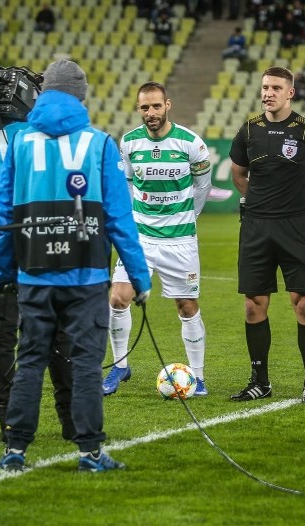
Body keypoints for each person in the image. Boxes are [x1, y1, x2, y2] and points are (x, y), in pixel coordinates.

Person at [0, 59, 150, 472]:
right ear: (80, 96)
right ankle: (90, 453)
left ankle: (15, 450)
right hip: (87, 276)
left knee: (29, 362)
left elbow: (2, 216)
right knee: (83, 365)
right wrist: (140, 277)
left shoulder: (19, 142)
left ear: (43, 94)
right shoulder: (99, 144)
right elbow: (119, 218)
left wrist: (1, 274)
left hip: (33, 273)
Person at [0, 65, 75, 443]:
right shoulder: (26, 131)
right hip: (26, 238)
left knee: (1, 333)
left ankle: (9, 422)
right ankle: (71, 421)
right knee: (55, 332)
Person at [228, 66, 305, 403]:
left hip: (295, 229)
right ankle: (260, 381)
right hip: (256, 228)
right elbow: (237, 172)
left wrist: (304, 214)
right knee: (253, 305)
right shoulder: (248, 130)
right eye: (264, 87)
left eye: (276, 87)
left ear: (290, 92)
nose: (268, 93)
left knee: (302, 304)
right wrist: (258, 203)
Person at [103, 81, 211, 397]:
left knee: (187, 306)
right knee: (118, 297)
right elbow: (125, 186)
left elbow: (202, 188)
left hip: (180, 241)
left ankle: (199, 377)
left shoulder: (192, 144)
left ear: (168, 104)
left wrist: (187, 220)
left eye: (156, 106)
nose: (150, 113)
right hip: (140, 238)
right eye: (144, 108)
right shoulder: (129, 143)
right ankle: (120, 366)